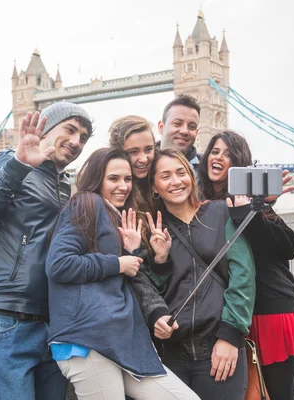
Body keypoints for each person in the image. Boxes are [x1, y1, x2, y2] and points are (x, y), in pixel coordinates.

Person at [0, 102, 93, 400]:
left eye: (84, 137)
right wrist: (19, 165)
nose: (76, 142)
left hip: (50, 325)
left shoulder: (63, 184)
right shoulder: (10, 161)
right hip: (4, 320)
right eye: (70, 130)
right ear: (46, 128)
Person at [46, 147, 199, 400]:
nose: (123, 186)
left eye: (127, 179)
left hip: (120, 341)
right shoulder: (85, 202)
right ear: (97, 179)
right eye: (113, 179)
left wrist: (143, 255)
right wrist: (118, 263)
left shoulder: (116, 216)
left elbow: (131, 280)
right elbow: (59, 264)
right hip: (88, 341)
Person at [198, 130, 294, 400]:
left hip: (271, 310)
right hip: (237, 314)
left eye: (229, 154)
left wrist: (254, 210)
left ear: (239, 164)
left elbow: (289, 246)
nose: (219, 157)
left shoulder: (250, 200)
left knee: (278, 395)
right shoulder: (201, 202)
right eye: (215, 151)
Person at [131, 148, 256, 400]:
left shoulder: (221, 212)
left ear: (191, 176)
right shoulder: (151, 228)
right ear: (154, 187)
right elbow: (150, 290)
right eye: (165, 176)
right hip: (171, 354)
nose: (175, 181)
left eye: (181, 173)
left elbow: (243, 275)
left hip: (218, 348)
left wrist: (230, 336)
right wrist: (160, 260)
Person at [158, 94, 201, 172]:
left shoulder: (207, 170)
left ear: (196, 132)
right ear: (161, 127)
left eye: (191, 127)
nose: (184, 131)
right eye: (177, 123)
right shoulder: (143, 167)